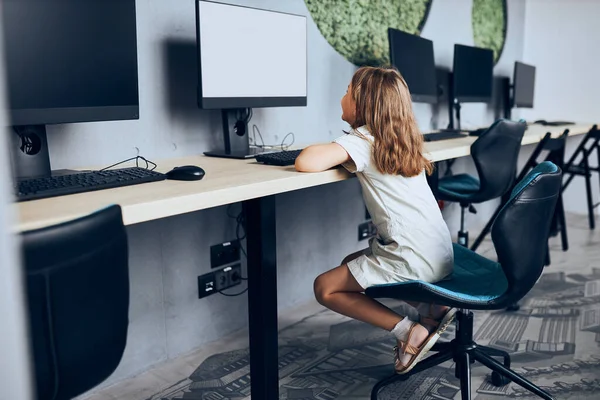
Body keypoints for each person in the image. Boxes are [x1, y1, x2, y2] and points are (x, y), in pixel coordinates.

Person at [295, 66, 455, 374]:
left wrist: (340, 147)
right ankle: (430, 307)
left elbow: (306, 161)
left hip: (411, 259)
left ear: (361, 104)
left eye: (346, 91)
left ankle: (409, 332)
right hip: (438, 254)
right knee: (350, 262)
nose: (342, 97)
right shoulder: (403, 140)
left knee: (326, 287)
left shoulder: (364, 140)